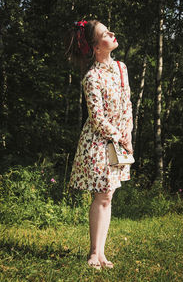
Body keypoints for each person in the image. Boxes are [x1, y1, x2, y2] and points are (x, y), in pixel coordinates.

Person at [67, 19, 133, 269]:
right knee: (102, 196)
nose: (113, 34)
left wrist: (129, 132)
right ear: (96, 47)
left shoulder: (121, 67)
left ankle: (102, 254)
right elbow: (97, 119)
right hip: (98, 144)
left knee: (109, 196)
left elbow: (127, 104)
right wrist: (119, 135)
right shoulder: (91, 77)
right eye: (106, 33)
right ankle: (94, 254)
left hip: (119, 140)